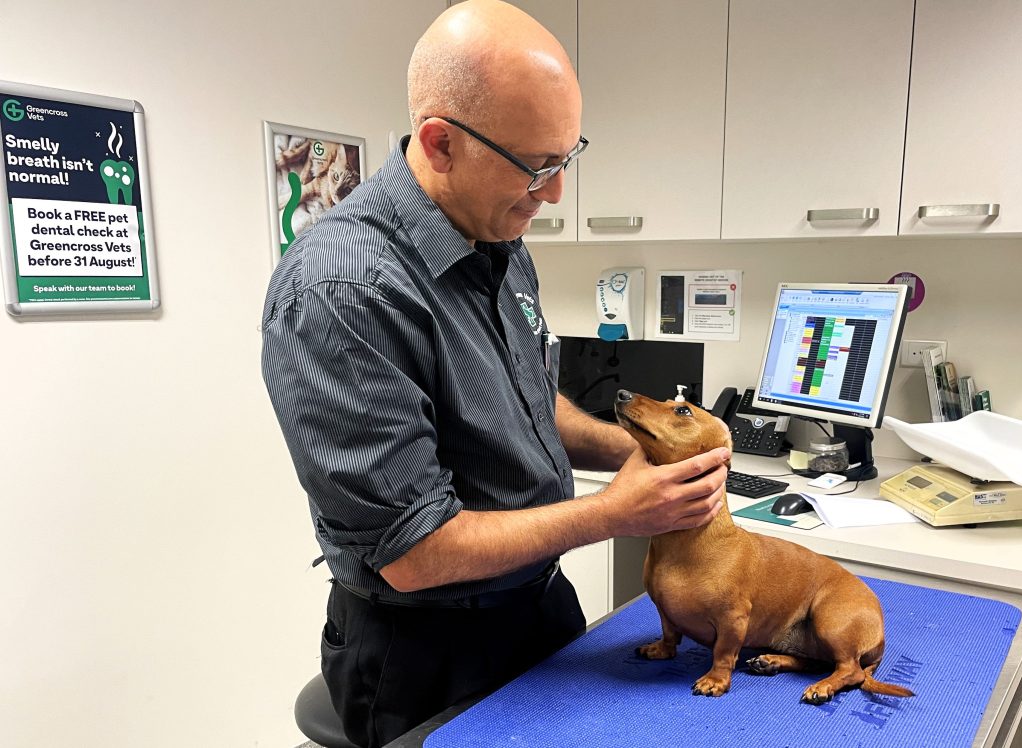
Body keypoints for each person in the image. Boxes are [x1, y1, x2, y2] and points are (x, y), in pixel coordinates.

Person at [260, 2, 730, 746]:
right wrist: (616, 514)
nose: (555, 194)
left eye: (566, 158)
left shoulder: (499, 241)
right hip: (427, 651)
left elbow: (532, 402)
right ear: (441, 143)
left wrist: (631, 450)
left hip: (539, 612)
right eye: (537, 166)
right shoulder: (343, 292)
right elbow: (415, 553)